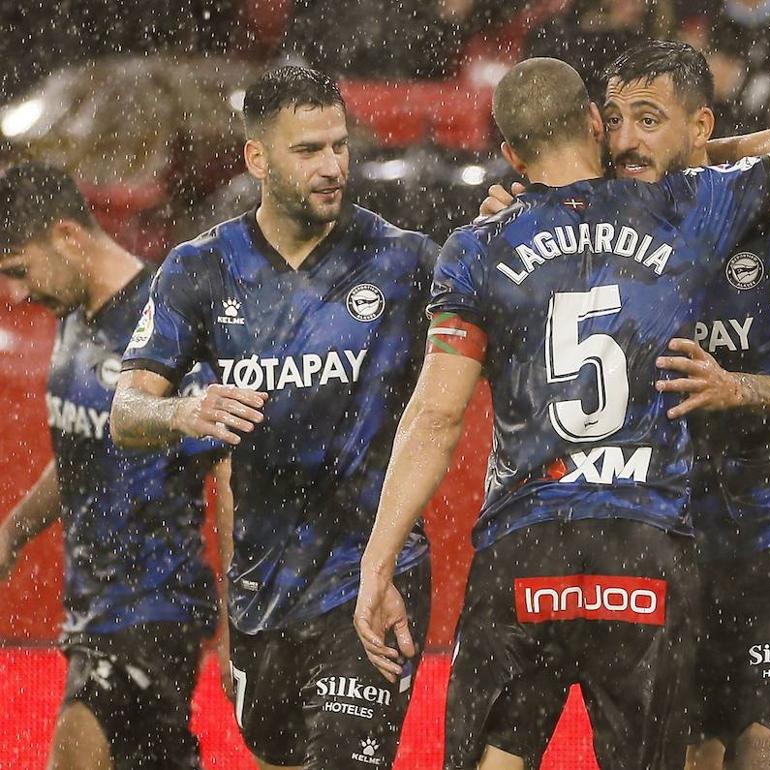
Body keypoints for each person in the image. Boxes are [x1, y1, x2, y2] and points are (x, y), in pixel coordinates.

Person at [354, 55, 770, 770]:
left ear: (510, 154)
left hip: (528, 541)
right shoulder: (686, 207)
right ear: (595, 122)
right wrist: (707, 156)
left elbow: (435, 420)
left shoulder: (480, 245)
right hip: (644, 543)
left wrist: (377, 566)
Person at [109, 66, 439, 770]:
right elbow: (125, 412)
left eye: (339, 146)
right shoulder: (200, 269)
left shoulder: (403, 260)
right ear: (256, 158)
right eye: (308, 150)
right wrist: (182, 411)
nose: (332, 167)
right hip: (265, 592)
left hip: (372, 576)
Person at [0, 162, 220, 770]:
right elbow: (84, 457)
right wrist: (15, 531)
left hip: (155, 608)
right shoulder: (73, 311)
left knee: (75, 752)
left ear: (68, 236)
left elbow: (226, 467)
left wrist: (241, 617)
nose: (16, 294)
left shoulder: (163, 323)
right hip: (92, 610)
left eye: (19, 269)